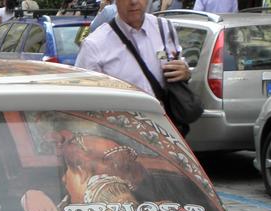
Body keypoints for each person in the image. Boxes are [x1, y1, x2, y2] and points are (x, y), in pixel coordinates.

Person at [74, 0, 192, 129]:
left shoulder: (164, 28)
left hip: (169, 132)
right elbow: (82, 104)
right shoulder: (94, 45)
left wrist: (185, 71)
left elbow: (178, 62)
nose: (134, 2)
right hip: (124, 135)